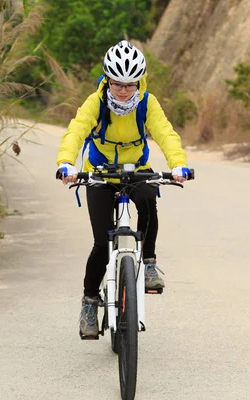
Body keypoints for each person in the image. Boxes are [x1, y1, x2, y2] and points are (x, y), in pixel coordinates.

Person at [56, 40, 190, 337]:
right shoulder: (96, 102)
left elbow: (165, 133)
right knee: (102, 244)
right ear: (108, 79)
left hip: (135, 170)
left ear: (139, 81)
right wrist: (66, 163)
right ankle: (90, 301)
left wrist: (178, 164)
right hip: (100, 172)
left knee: (148, 203)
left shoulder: (146, 102)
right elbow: (76, 130)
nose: (123, 91)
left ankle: (150, 264)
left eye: (130, 85)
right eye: (118, 84)